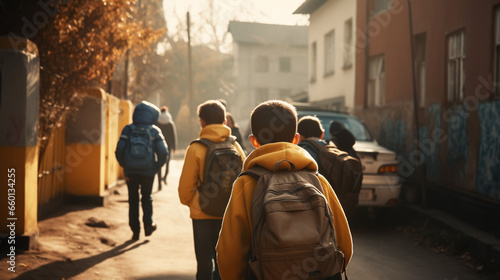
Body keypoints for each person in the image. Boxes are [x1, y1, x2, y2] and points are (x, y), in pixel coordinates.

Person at [216, 100, 353, 279]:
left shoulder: (247, 183)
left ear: (254, 141)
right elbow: (344, 244)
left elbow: (230, 250)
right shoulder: (317, 180)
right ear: (296, 139)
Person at [178, 100, 246, 280]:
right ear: (225, 122)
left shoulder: (196, 148)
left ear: (202, 121)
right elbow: (244, 177)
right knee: (222, 260)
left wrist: (191, 202)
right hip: (228, 212)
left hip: (202, 212)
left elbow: (186, 187)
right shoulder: (235, 146)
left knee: (203, 261)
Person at [115, 101, 168, 241]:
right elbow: (163, 152)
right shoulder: (154, 131)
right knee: (147, 197)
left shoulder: (128, 129)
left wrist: (125, 167)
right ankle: (148, 225)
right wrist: (156, 167)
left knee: (133, 200)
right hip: (148, 171)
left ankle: (135, 231)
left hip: (131, 171)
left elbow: (119, 150)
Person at [156, 106, 177, 189]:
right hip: (168, 145)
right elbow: (173, 135)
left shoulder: (157, 122)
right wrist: (174, 146)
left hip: (159, 144)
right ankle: (164, 177)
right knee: (167, 162)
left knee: (159, 164)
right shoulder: (170, 122)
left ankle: (159, 184)